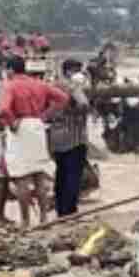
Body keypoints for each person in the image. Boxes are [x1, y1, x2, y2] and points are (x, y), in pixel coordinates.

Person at [0, 57, 70, 228]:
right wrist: (46, 114)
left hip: (21, 126)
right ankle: (44, 218)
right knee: (39, 175)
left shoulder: (9, 85)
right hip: (37, 126)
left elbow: (4, 109)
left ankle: (25, 220)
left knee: (22, 177)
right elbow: (63, 98)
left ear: (10, 69)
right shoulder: (39, 83)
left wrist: (11, 122)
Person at [48, 58, 90, 217]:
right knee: (73, 175)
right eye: (78, 70)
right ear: (70, 71)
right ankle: (70, 211)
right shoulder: (73, 86)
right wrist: (77, 113)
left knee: (61, 174)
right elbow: (84, 104)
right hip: (74, 138)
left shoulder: (53, 86)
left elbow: (47, 111)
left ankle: (60, 210)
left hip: (56, 138)